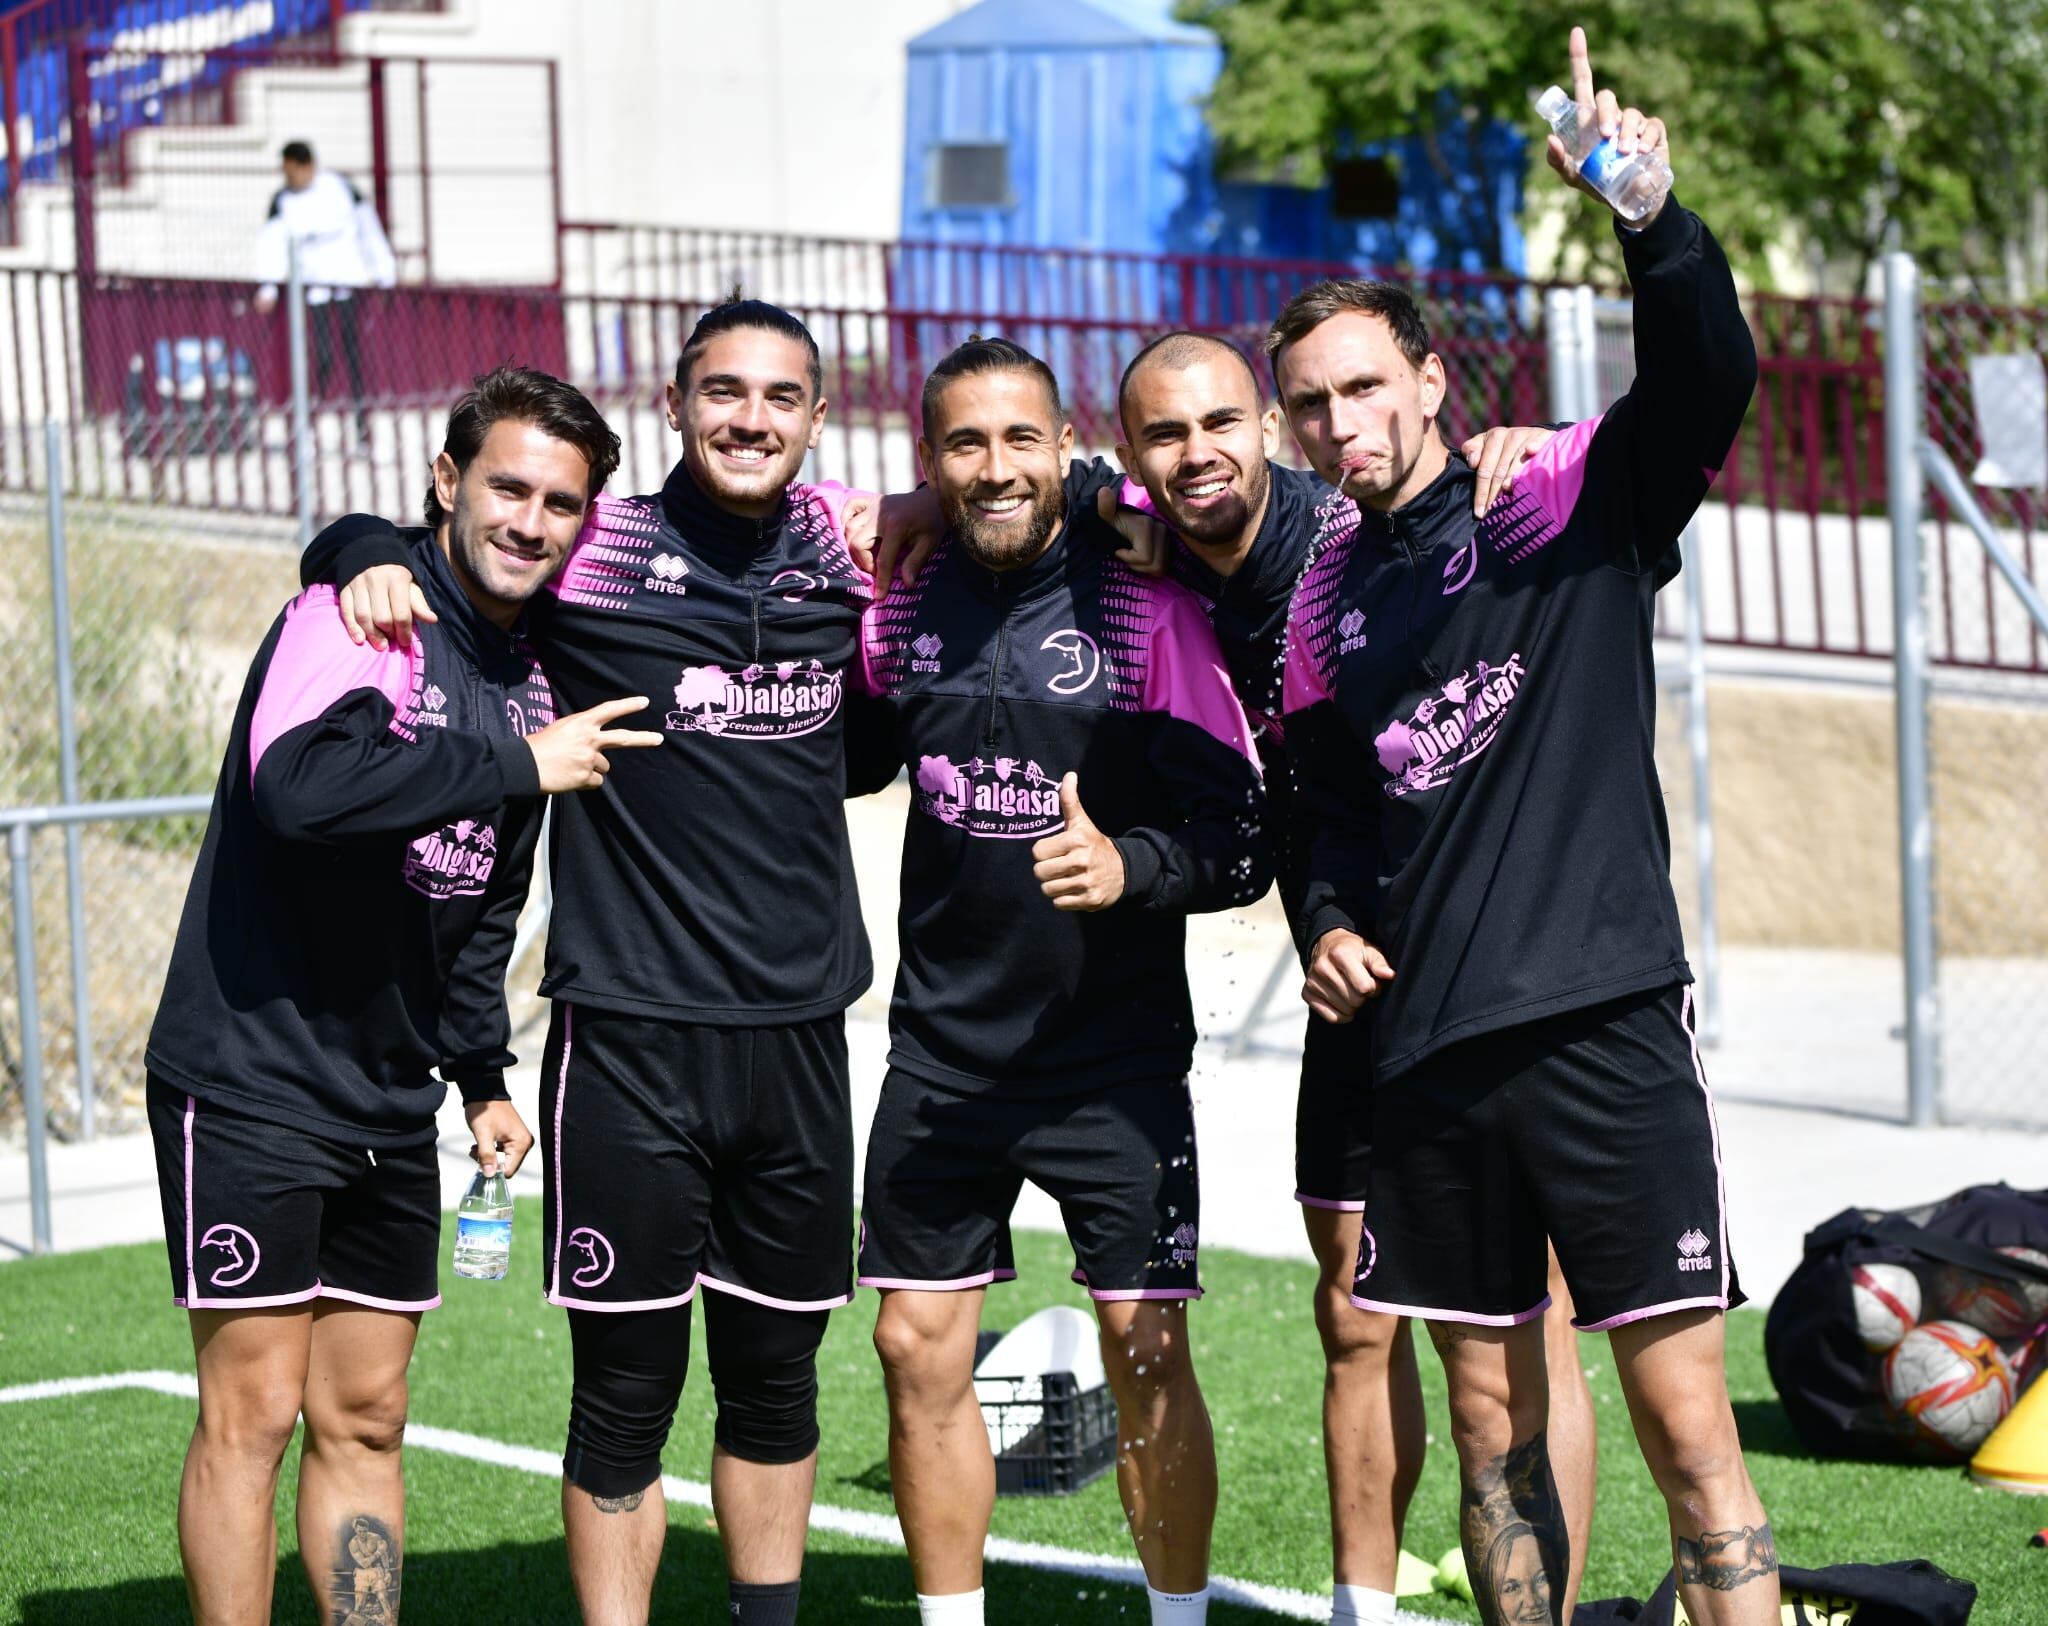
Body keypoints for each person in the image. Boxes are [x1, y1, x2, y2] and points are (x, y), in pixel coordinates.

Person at [1278, 30, 1776, 1626]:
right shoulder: (1323, 603)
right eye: (1312, 403)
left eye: (1365, 383)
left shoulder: (1554, 499)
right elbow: (1324, 806)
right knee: (1495, 1438)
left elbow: (1704, 384)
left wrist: (1650, 215)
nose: (1339, 420)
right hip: (1427, 1060)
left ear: (1432, 379)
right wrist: (1327, 916)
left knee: (1691, 1432)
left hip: (1601, 1017)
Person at [304, 298, 888, 1626]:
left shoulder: (849, 545)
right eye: (723, 392)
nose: (750, 418)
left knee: (776, 1382)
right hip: (627, 1037)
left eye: (781, 396)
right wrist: (352, 551)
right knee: (623, 1398)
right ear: (678, 403)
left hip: (801, 1033)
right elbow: (434, 547)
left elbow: (1007, 504)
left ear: (812, 414)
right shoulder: (597, 545)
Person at [146, 365, 644, 1626]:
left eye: (561, 503)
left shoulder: (532, 680)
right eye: (507, 488)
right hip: (251, 1077)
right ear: (446, 483)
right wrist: (510, 761)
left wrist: (479, 1076)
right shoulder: (363, 614)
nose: (530, 521)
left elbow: (481, 909)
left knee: (367, 1415)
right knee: (251, 1416)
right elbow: (300, 790)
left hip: (388, 1096)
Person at [1108, 337, 1593, 1625]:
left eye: (1225, 422)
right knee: (1353, 1305)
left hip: (1494, 962)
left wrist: (1512, 447)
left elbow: (1477, 503)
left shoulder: (1343, 533)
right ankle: (1357, 1610)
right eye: (1163, 437)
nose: (1196, 453)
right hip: (1346, 967)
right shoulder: (1137, 544)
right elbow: (1023, 491)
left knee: (1513, 1328)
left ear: (1269, 427)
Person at [852, 336, 1274, 1626]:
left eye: (1019, 440)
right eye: (964, 445)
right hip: (943, 1054)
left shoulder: (1145, 602)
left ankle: (1178, 1617)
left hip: (1114, 1058)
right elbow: (846, 756)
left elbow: (1240, 837)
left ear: (1063, 447)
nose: (993, 469)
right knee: (912, 1346)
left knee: (1145, 1354)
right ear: (930, 463)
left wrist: (1130, 868)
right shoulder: (898, 599)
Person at [254, 140, 398, 411]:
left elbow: (369, 231)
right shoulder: (283, 200)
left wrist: (384, 273)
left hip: (348, 284)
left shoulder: (341, 188)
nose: (288, 177)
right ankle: (312, 416)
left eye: (292, 170)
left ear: (307, 165)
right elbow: (271, 244)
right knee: (320, 356)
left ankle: (360, 421)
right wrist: (268, 287)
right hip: (312, 290)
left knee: (355, 355)